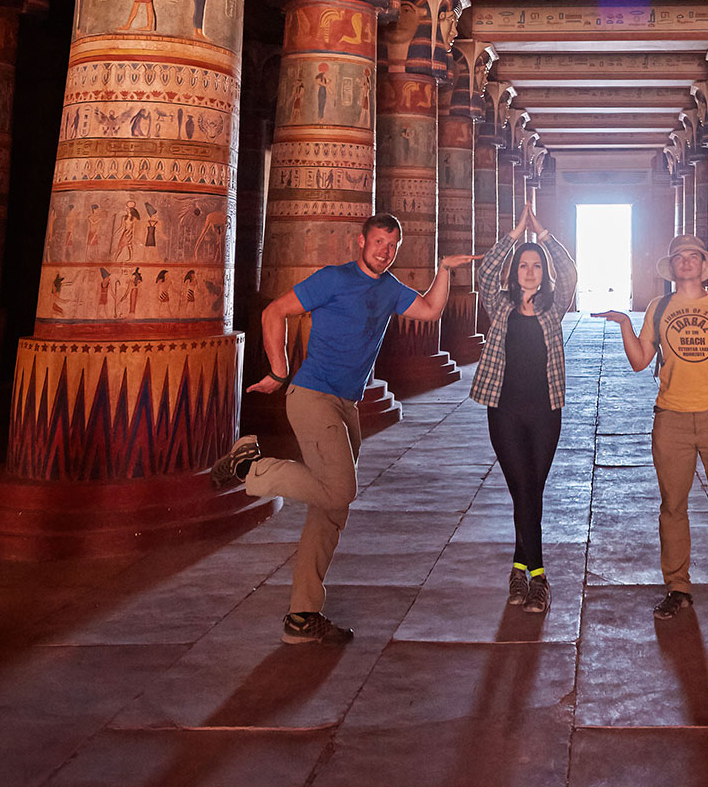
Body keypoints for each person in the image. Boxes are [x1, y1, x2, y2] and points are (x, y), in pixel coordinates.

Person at [211, 214, 476, 644]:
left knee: (330, 511)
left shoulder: (388, 288)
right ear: (361, 241)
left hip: (346, 406)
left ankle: (302, 615)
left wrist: (444, 269)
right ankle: (249, 468)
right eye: (378, 242)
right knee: (340, 490)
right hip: (313, 397)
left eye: (392, 245)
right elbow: (275, 311)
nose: (384, 252)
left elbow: (430, 310)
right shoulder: (333, 279)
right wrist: (278, 369)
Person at [595, 234, 708, 626]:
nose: (687, 262)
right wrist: (625, 324)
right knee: (673, 507)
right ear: (672, 267)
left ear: (704, 265)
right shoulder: (659, 308)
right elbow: (640, 361)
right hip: (671, 417)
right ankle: (677, 587)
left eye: (694, 256)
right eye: (680, 257)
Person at [471, 200, 578, 613]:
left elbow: (569, 272)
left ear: (543, 271)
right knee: (523, 488)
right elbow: (485, 272)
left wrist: (543, 234)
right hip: (504, 411)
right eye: (523, 265)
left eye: (536, 265)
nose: (529, 271)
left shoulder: (554, 307)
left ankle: (519, 570)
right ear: (514, 272)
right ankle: (538, 577)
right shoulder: (499, 306)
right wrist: (516, 234)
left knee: (531, 490)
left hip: (545, 412)